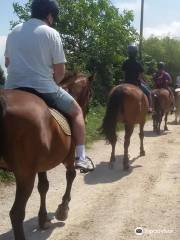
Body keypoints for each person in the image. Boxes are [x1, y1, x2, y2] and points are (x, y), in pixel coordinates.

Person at [4, 0, 94, 172]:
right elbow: (60, 72)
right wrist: (53, 83)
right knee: (77, 111)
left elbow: (7, 63)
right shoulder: (51, 33)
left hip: (11, 88)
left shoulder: (14, 31)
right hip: (43, 88)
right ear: (49, 15)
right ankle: (81, 157)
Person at [122, 44, 152, 112]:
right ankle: (149, 108)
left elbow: (123, 75)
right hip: (136, 83)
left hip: (126, 83)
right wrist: (145, 82)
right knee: (148, 93)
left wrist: (125, 80)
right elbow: (141, 76)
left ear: (128, 53)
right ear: (136, 53)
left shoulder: (125, 62)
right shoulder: (138, 64)